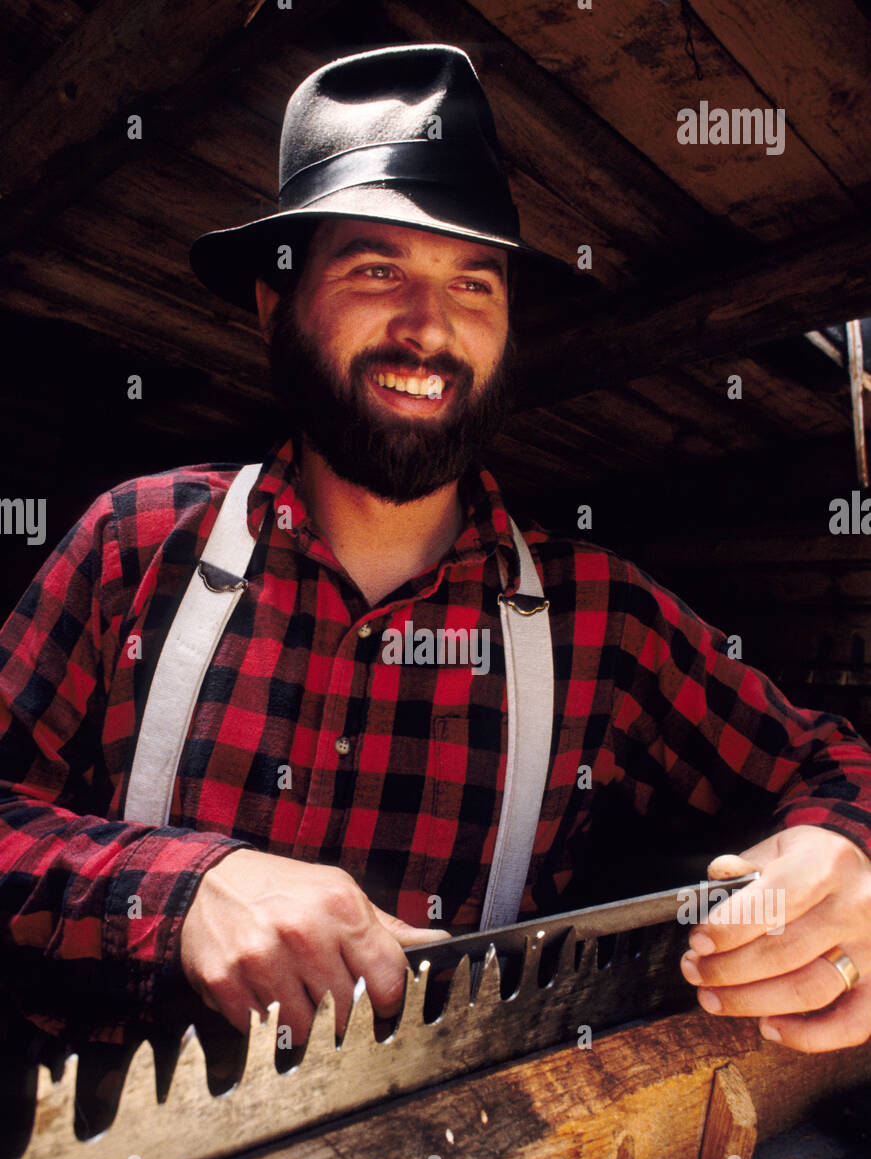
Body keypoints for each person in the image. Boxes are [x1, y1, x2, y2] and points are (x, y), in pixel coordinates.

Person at [1, 44, 870, 1062]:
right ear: (276, 303)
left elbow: (830, 758)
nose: (429, 328)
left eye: (473, 284)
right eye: (377, 269)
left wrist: (845, 857)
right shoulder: (135, 544)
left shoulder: (604, 621)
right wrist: (181, 891)